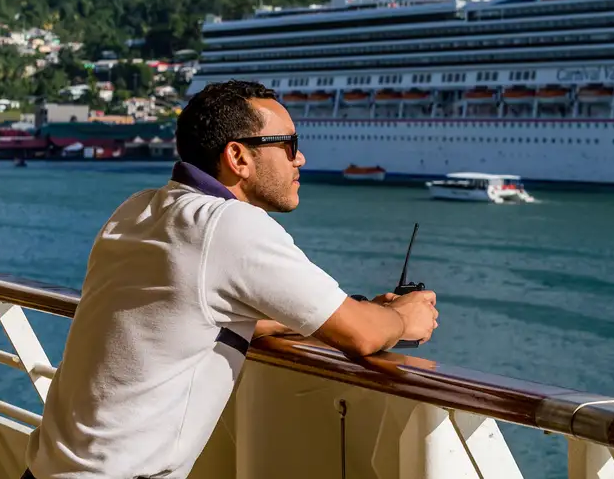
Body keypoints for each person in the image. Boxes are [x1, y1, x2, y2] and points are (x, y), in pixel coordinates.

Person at [22, 79, 438, 479]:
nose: (300, 159)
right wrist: (404, 317)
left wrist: (321, 317)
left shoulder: (139, 209)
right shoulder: (230, 225)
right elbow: (363, 336)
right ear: (238, 157)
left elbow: (181, 314)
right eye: (289, 144)